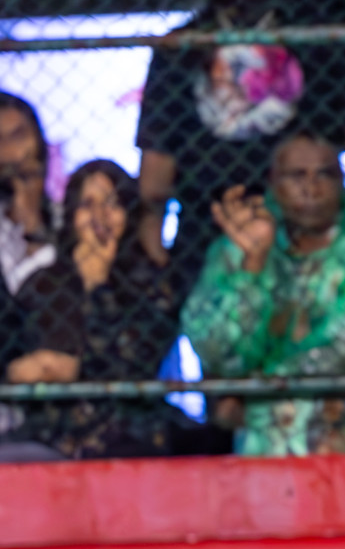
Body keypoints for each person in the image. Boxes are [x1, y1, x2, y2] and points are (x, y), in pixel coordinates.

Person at [181, 131, 345, 457]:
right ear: (273, 183)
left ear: (342, 182)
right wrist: (252, 268)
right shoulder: (243, 241)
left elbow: (344, 348)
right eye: (296, 175)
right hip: (268, 444)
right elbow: (216, 351)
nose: (311, 187)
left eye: (324, 174)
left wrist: (250, 391)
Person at [136, 0, 345, 279]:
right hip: (208, 230)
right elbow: (156, 164)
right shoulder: (182, 46)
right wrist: (155, 247)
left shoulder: (321, 33)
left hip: (309, 228)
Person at [4, 161, 218, 460]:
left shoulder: (153, 286)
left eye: (113, 204)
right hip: (56, 440)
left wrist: (97, 287)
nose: (98, 217)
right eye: (86, 205)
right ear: (70, 215)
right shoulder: (43, 284)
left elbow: (128, 369)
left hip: (134, 433)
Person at [0, 92, 56, 355]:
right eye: (0, 141)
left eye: (18, 136)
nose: (11, 155)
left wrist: (33, 225)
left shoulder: (67, 220)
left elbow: (56, 302)